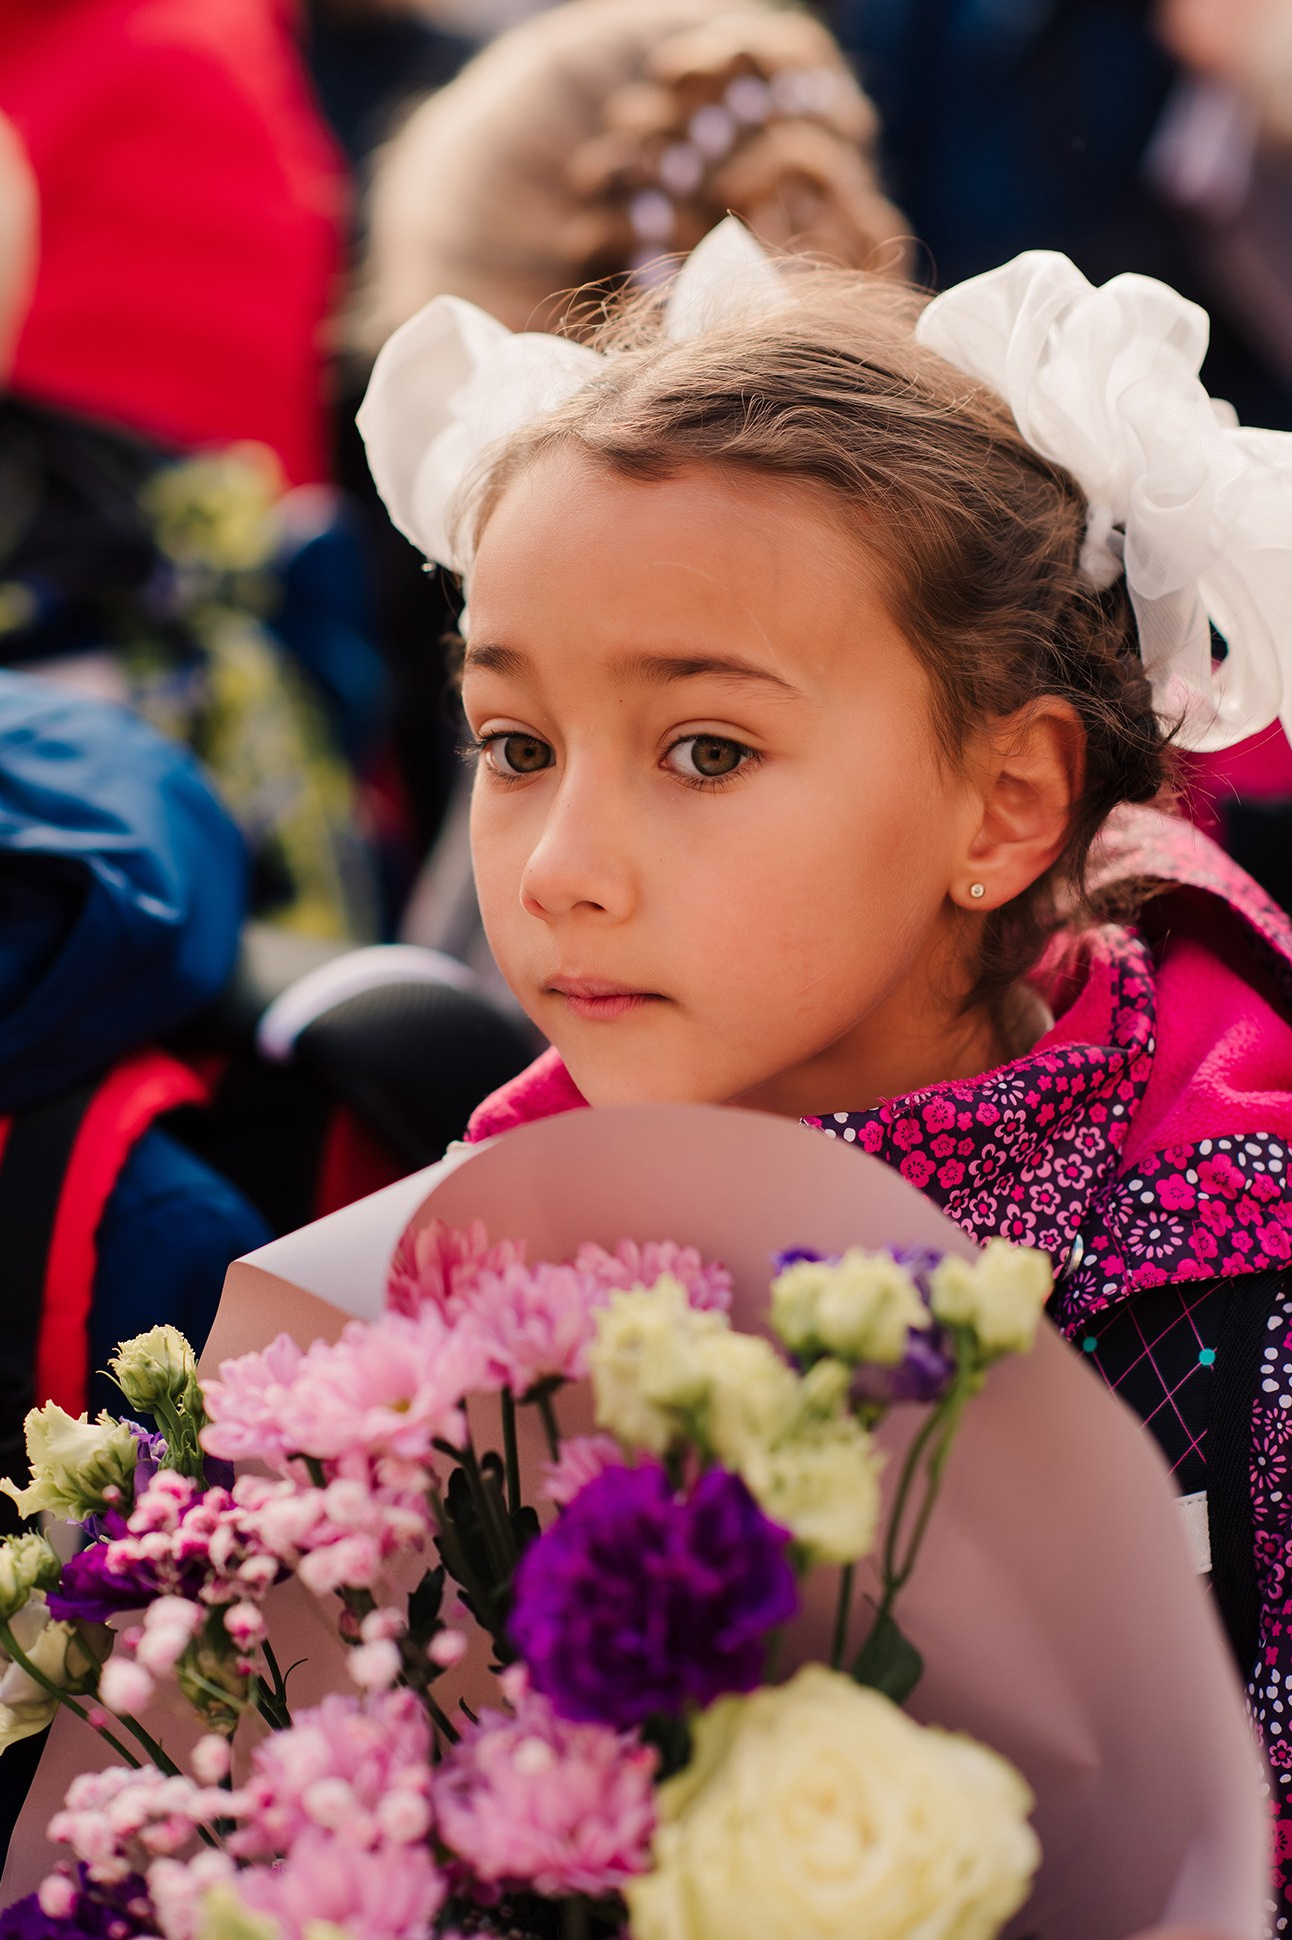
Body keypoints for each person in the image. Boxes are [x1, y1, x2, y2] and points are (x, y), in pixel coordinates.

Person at [359, 225, 1292, 1919]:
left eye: (705, 750)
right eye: (517, 746)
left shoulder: (1238, 1289)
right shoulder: (451, 1305)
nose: (561, 866)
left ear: (1006, 802)